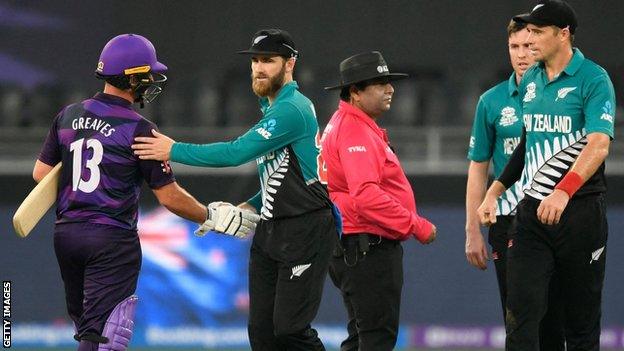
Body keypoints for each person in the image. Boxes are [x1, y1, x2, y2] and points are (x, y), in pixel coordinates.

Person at [33, 34, 257, 351]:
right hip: (111, 240)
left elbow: (41, 174)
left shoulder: (67, 116)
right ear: (133, 77)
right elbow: (168, 197)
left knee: (87, 330)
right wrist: (211, 216)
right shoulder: (138, 129)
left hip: (67, 235)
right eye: (148, 74)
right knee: (108, 335)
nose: (152, 80)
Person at [131, 28, 337, 351]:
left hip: (306, 228)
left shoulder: (292, 108)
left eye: (268, 60)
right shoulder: (271, 106)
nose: (258, 68)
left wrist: (173, 150)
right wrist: (250, 207)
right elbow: (278, 177)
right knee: (262, 333)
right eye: (255, 61)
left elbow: (236, 152)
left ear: (290, 64)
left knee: (290, 330)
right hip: (273, 229)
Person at [477, 1, 616, 350]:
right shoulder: (532, 80)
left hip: (580, 213)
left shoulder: (594, 79)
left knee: (581, 325)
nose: (531, 39)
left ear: (563, 34)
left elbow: (598, 145)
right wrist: (494, 190)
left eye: (538, 32)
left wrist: (564, 191)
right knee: (521, 316)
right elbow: (528, 142)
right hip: (532, 214)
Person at [320, 51, 436, 351]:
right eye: (379, 83)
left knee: (362, 336)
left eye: (389, 82)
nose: (390, 89)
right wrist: (415, 224)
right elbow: (366, 196)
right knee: (376, 339)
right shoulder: (354, 129)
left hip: (354, 245)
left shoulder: (344, 122)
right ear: (355, 92)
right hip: (367, 248)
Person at [465, 17, 564, 350]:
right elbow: (478, 169)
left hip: (553, 215)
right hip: (507, 221)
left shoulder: (561, 95)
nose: (522, 54)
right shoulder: (491, 102)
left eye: (528, 45)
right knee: (518, 316)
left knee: (556, 317)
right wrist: (472, 230)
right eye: (514, 46)